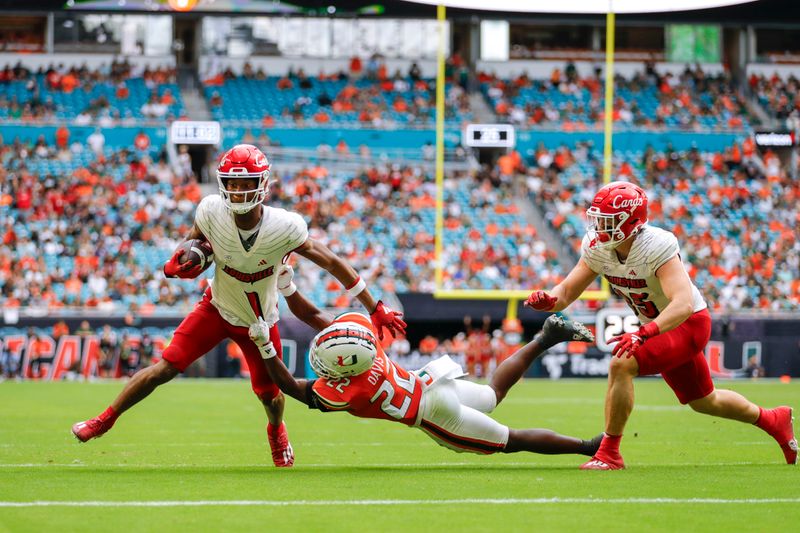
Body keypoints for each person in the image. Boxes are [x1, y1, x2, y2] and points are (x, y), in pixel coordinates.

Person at [71, 144, 406, 468]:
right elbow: (192, 238)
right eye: (233, 183)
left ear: (263, 184)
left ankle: (276, 429)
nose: (240, 190)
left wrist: (373, 305)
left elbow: (331, 261)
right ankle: (105, 420)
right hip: (215, 308)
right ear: (223, 184)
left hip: (260, 321)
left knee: (270, 395)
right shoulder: (211, 210)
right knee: (165, 367)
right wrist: (181, 257)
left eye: (247, 183)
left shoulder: (284, 226)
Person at [524, 181, 797, 469]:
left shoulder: (656, 245)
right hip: (658, 326)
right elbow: (565, 293)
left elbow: (682, 304)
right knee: (704, 401)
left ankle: (609, 453)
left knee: (621, 363)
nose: (599, 227)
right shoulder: (599, 247)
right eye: (598, 219)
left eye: (608, 221)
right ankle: (774, 419)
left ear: (631, 222)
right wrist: (548, 299)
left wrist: (644, 333)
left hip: (687, 324)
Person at [249, 265, 602, 460]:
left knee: (511, 440)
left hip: (434, 414)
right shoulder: (361, 337)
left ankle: (589, 446)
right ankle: (546, 337)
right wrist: (289, 288)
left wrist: (266, 347)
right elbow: (319, 317)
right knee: (492, 394)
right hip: (431, 380)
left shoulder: (349, 390)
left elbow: (291, 388)